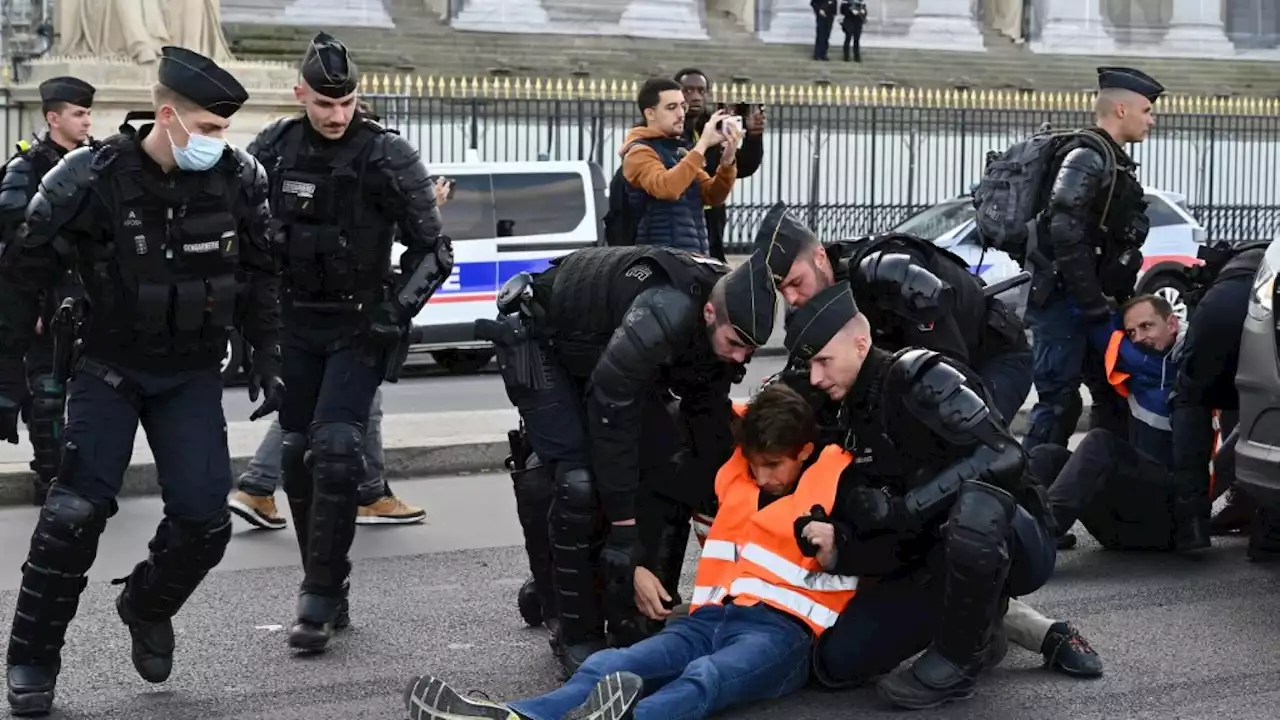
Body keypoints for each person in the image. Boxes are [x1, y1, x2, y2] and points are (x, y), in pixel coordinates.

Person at [0, 46, 283, 716]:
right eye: (208, 129)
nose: (219, 143)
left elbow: (263, 272)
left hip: (188, 374)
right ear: (167, 115)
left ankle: (146, 604)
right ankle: (33, 659)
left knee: (205, 521)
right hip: (108, 366)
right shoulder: (87, 178)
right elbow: (19, 276)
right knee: (73, 513)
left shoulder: (240, 179)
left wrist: (269, 351)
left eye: (223, 130)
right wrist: (9, 373)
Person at [403, 383, 863, 720]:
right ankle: (512, 716)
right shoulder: (738, 472)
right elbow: (729, 411)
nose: (763, 477)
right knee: (611, 664)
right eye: (756, 464)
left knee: (707, 678)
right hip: (711, 618)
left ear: (804, 451)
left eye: (774, 466)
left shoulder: (841, 486)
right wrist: (640, 562)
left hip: (783, 635)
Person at [245, 32, 452, 653]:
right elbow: (245, 236)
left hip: (360, 324)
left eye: (347, 103)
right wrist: (247, 323)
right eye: (324, 104)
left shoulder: (387, 154)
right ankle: (328, 587)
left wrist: (394, 315)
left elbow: (433, 251)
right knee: (296, 455)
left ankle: (316, 595)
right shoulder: (272, 149)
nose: (337, 116)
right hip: (293, 325)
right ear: (300, 94)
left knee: (337, 448)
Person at [481, 246, 773, 676]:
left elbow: (706, 420)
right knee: (578, 480)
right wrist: (622, 534)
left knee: (675, 464)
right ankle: (575, 631)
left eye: (749, 351)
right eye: (734, 344)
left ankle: (626, 604)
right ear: (709, 312)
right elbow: (610, 415)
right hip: (545, 340)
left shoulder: (723, 332)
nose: (739, 358)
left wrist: (720, 501)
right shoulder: (667, 311)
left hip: (605, 353)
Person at [781, 281, 1058, 709]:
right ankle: (983, 632)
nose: (816, 377)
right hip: (928, 553)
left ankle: (958, 662)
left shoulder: (920, 376)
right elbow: (875, 520)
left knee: (975, 503)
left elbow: (1004, 456)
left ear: (860, 343)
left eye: (823, 361)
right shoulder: (843, 411)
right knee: (838, 663)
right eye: (809, 364)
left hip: (1014, 538)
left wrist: (904, 508)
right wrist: (840, 540)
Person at [756, 203, 1032, 433]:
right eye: (782, 291)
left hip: (991, 359)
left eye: (796, 283)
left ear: (819, 257)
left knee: (960, 435)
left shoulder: (886, 275)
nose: (791, 298)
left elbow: (949, 368)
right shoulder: (811, 300)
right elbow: (808, 374)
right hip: (917, 368)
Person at [1022, 67, 1163, 452]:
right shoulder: (1086, 157)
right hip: (1065, 306)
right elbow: (1064, 231)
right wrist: (1092, 305)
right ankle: (1031, 498)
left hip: (1089, 305)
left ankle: (1103, 488)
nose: (1152, 120)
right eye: (1147, 110)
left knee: (1113, 396)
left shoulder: (1110, 160)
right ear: (1121, 109)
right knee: (1058, 405)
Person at [1031, 294, 1239, 552]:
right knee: (1045, 456)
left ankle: (1038, 539)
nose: (1139, 337)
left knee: (1100, 442)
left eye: (1147, 326)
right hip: (1122, 521)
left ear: (1172, 324)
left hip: (1171, 520)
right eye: (1131, 332)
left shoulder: (1198, 369)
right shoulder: (1130, 368)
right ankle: (1019, 532)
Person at [0, 76, 95, 505]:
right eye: (78, 113)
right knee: (48, 396)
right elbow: (18, 238)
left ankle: (88, 474)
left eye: (88, 112)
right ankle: (50, 478)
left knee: (99, 397)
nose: (87, 120)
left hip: (95, 297)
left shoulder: (97, 162)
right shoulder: (26, 167)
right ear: (53, 117)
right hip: (47, 300)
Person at [1168, 243, 1266, 553]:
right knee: (1268, 411)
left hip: (1219, 309)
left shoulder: (1228, 267)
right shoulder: (1270, 258)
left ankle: (1192, 526)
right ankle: (1269, 532)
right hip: (1266, 308)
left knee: (1191, 400)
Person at [619, 77, 739, 255]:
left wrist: (728, 159)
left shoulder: (679, 150)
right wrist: (702, 145)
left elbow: (712, 195)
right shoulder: (639, 152)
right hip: (659, 262)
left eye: (683, 106)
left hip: (693, 257)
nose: (681, 114)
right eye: (671, 107)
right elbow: (667, 188)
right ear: (650, 114)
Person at [673, 69, 765, 261]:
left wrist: (753, 138)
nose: (696, 97)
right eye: (688, 91)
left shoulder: (711, 127)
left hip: (711, 218)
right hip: (678, 218)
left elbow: (743, 167)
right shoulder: (668, 130)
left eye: (701, 90)